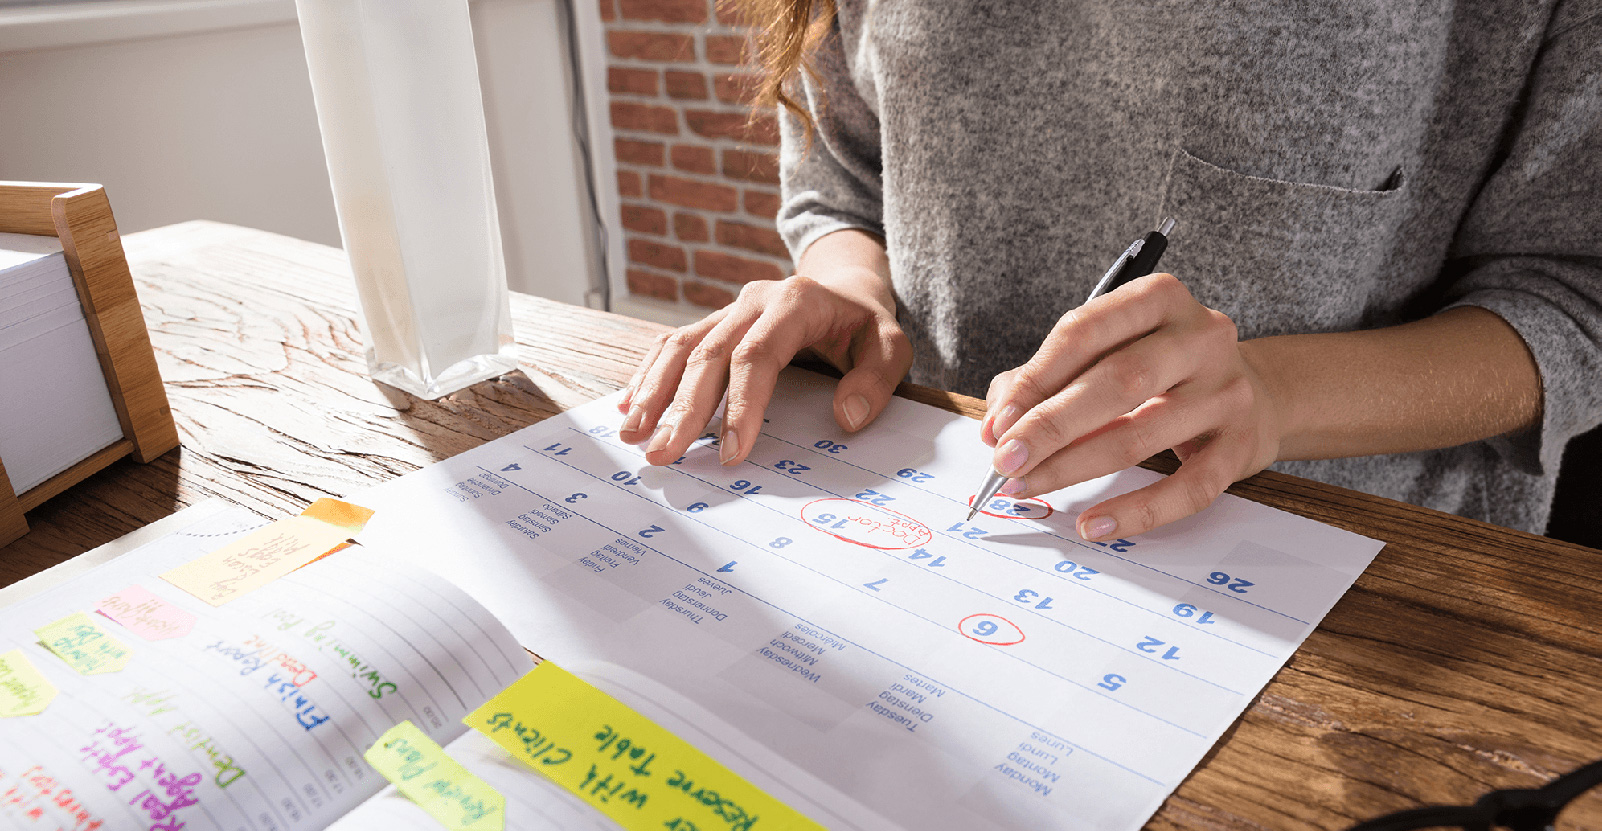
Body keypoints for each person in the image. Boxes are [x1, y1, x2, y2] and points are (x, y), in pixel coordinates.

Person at [617, 0, 1602, 542]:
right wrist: (848, 284)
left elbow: (1574, 290)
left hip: (1355, 592)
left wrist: (1274, 396)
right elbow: (840, 174)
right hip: (941, 512)